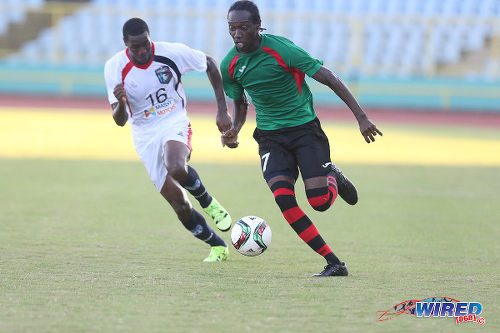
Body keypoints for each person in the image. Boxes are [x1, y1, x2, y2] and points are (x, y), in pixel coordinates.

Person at [218, 1, 383, 276]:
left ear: (258, 27)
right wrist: (235, 129)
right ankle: (334, 263)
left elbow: (329, 77)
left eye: (243, 28)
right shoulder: (230, 65)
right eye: (232, 28)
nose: (236, 34)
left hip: (305, 131)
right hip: (270, 138)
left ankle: (333, 176)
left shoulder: (282, 49)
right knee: (283, 198)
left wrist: (361, 117)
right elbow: (241, 104)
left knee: (319, 202)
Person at [104, 18, 233, 262]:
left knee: (175, 166)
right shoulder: (114, 67)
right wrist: (121, 103)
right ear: (125, 44)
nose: (142, 51)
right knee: (180, 205)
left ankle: (209, 202)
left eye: (145, 44)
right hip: (143, 134)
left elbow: (209, 63)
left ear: (150, 37)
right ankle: (217, 246)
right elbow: (120, 120)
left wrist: (222, 109)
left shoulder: (170, 53)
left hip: (173, 120)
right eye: (135, 47)